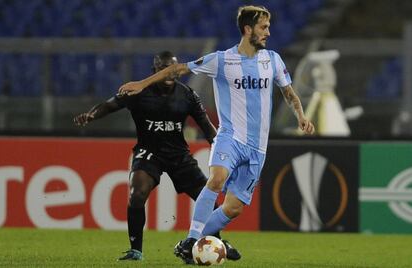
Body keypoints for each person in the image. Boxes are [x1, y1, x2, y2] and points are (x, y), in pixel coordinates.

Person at [118, 5, 315, 264]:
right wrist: (141, 84)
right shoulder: (221, 60)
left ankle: (192, 243)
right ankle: (191, 240)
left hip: (258, 149)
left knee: (232, 208)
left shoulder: (273, 60)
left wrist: (301, 115)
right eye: (263, 27)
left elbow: (288, 93)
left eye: (268, 27)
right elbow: (177, 71)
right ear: (247, 29)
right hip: (230, 137)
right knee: (217, 178)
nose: (268, 32)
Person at [73, 51, 241, 261]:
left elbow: (207, 128)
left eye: (172, 68)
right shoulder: (139, 92)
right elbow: (109, 105)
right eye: (163, 68)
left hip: (179, 155)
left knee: (206, 198)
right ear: (155, 71)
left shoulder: (188, 95)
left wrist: (225, 155)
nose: (169, 73)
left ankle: (217, 242)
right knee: (137, 194)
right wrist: (91, 115)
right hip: (149, 152)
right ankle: (136, 251)